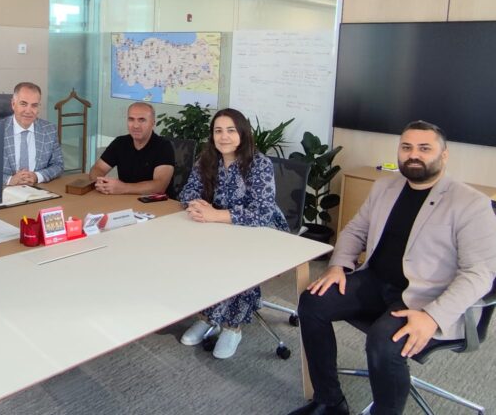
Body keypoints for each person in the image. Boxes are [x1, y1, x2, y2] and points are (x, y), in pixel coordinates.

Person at [288, 120, 496, 415]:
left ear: (444, 155)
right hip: (375, 281)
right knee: (312, 302)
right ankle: (329, 401)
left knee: (385, 342)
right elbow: (355, 230)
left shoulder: (470, 203)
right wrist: (338, 266)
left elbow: (479, 273)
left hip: (428, 296)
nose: (414, 155)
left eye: (424, 148)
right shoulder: (385, 186)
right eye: (406, 147)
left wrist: (433, 317)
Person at [178, 108, 288, 359]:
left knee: (238, 260)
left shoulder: (259, 163)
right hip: (218, 226)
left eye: (230, 130)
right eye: (218, 131)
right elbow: (188, 192)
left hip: (261, 230)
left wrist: (215, 215)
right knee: (197, 252)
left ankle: (232, 326)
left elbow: (261, 212)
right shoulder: (206, 160)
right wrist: (197, 205)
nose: (224, 136)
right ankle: (208, 316)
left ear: (242, 133)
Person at [88, 102, 174, 195]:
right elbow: (98, 168)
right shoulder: (120, 142)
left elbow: (159, 186)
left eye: (142, 120)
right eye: (131, 119)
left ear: (153, 123)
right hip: (124, 199)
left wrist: (123, 188)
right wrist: (100, 182)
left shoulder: (164, 146)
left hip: (155, 201)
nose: (135, 126)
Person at [2, 82, 64, 186]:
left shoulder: (49, 130)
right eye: (23, 104)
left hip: (38, 189)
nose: (28, 111)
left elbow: (58, 165)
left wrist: (37, 176)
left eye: (34, 105)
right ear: (13, 104)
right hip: (5, 191)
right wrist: (9, 180)